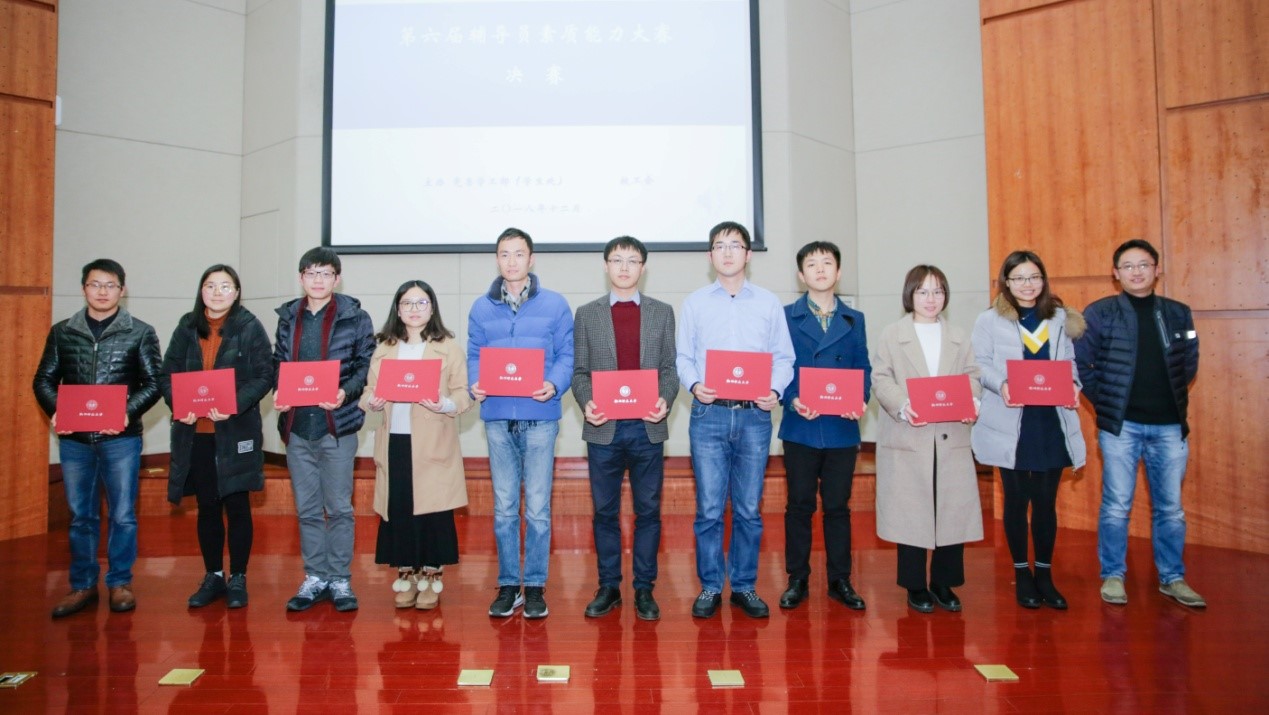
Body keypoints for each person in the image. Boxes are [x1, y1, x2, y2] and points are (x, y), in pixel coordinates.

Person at [1074, 238, 1203, 608]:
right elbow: (1081, 365)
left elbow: (1189, 361)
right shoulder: (1099, 313)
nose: (1136, 272)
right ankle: (1113, 574)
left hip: (1170, 426)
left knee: (1171, 509)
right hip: (1121, 427)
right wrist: (1107, 402)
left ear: (1156, 269)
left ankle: (1173, 578)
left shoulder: (1178, 313)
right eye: (1127, 266)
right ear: (1116, 274)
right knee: (1116, 505)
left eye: (1143, 265)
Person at [676, 221, 795, 619]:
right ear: (710, 255)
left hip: (754, 417)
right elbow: (683, 357)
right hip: (708, 414)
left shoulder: (768, 303)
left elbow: (784, 358)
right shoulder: (695, 303)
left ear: (748, 254)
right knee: (709, 509)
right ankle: (710, 586)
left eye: (735, 245)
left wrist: (774, 390)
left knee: (748, 509)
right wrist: (695, 385)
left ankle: (744, 585)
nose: (727, 252)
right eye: (720, 246)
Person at [34, 258, 162, 618]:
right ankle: (82, 585)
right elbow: (43, 380)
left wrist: (125, 413)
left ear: (122, 290)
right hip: (75, 440)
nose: (102, 291)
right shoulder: (62, 332)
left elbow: (154, 382)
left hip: (121, 439)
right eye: (95, 284)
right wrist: (57, 410)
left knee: (123, 515)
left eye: (110, 285)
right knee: (81, 516)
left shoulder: (140, 332)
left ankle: (120, 583)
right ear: (83, 288)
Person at [468, 228, 574, 619]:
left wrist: (554, 384)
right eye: (504, 254)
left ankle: (536, 586)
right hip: (497, 417)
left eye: (518, 254)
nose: (511, 261)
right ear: (497, 259)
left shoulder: (555, 304)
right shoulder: (481, 308)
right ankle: (509, 584)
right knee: (504, 507)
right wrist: (475, 383)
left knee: (539, 509)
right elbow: (474, 354)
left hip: (541, 419)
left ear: (531, 259)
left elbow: (567, 355)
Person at [571, 236, 679, 621]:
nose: (624, 267)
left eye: (632, 261)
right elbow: (579, 373)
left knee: (648, 512)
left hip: (648, 428)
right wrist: (587, 403)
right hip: (605, 429)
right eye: (617, 260)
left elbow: (670, 370)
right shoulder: (587, 314)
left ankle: (645, 588)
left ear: (643, 268)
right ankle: (609, 587)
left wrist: (665, 398)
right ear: (605, 266)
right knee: (605, 512)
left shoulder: (662, 312)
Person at [971, 251, 1085, 610]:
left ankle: (1045, 575)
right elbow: (978, 364)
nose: (1027, 284)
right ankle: (1022, 573)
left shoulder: (1059, 317)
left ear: (1043, 280)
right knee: (1017, 500)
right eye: (1018, 278)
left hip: (1050, 421)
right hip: (1010, 422)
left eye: (1034, 277)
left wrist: (1074, 387)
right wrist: (1002, 384)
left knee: (1046, 502)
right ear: (1006, 282)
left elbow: (1069, 363)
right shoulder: (989, 320)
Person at [160, 265, 273, 609]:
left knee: (237, 507)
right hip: (196, 432)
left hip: (235, 431)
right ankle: (213, 575)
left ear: (236, 292)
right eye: (211, 286)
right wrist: (179, 404)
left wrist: (233, 404)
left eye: (226, 286)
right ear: (201, 291)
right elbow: (167, 374)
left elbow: (265, 375)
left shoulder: (250, 326)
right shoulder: (186, 326)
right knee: (207, 507)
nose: (218, 292)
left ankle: (238, 577)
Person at [871, 265, 982, 614]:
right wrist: (903, 406)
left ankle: (944, 583)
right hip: (910, 433)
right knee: (912, 511)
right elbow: (881, 378)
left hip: (950, 435)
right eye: (923, 291)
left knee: (952, 510)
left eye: (938, 291)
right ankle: (915, 584)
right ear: (910, 295)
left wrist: (972, 401)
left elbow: (973, 376)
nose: (931, 299)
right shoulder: (892, 334)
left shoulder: (959, 335)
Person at [272, 247, 375, 612]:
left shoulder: (355, 316)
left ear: (337, 278)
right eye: (311, 273)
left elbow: (365, 365)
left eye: (326, 273)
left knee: (340, 508)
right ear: (301, 278)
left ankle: (340, 579)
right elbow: (278, 362)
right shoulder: (288, 317)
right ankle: (315, 576)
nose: (318, 280)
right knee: (308, 510)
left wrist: (345, 392)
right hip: (298, 428)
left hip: (337, 427)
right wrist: (279, 392)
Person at [362, 280, 472, 610]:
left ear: (432, 308)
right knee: (400, 509)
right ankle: (407, 576)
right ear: (397, 310)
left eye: (421, 303)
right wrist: (372, 402)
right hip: (394, 441)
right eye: (407, 303)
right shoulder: (384, 347)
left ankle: (432, 579)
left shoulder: (448, 347)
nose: (414, 309)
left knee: (432, 512)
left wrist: (444, 404)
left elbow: (463, 394)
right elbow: (368, 392)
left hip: (432, 441)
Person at [777, 241, 871, 611]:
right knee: (799, 505)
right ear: (801, 275)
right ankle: (797, 578)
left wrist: (860, 398)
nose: (820, 269)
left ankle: (840, 579)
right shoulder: (786, 316)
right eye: (812, 264)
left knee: (837, 506)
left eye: (827, 263)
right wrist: (792, 397)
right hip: (800, 424)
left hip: (840, 427)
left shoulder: (854, 319)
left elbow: (862, 366)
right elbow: (779, 364)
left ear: (838, 271)